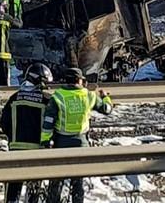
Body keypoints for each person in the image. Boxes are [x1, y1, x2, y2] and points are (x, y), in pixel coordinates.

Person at [41, 68, 112, 203]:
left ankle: (53, 200)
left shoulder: (58, 96)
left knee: (56, 180)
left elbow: (48, 122)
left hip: (61, 144)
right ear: (80, 80)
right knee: (78, 181)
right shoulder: (89, 96)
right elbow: (107, 109)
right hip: (81, 144)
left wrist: (45, 141)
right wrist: (105, 97)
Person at [0, 63, 53, 203]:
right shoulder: (46, 100)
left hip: (16, 149)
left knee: (14, 187)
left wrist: (12, 138)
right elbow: (53, 124)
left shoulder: (14, 98)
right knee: (34, 189)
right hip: (37, 150)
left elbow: (3, 123)